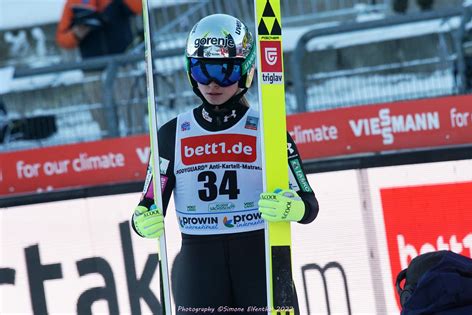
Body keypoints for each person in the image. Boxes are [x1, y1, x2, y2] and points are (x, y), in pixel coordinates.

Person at [131, 14, 319, 314]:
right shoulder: (171, 134)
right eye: (201, 70)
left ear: (245, 71)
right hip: (199, 266)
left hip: (259, 261)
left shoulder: (267, 129)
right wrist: (143, 221)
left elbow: (310, 203)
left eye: (224, 71)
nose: (213, 83)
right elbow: (149, 203)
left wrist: (294, 207)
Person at [56, 0, 142, 60]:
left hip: (123, 65)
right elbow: (61, 39)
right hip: (93, 70)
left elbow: (140, 7)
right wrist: (75, 34)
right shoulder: (74, 3)